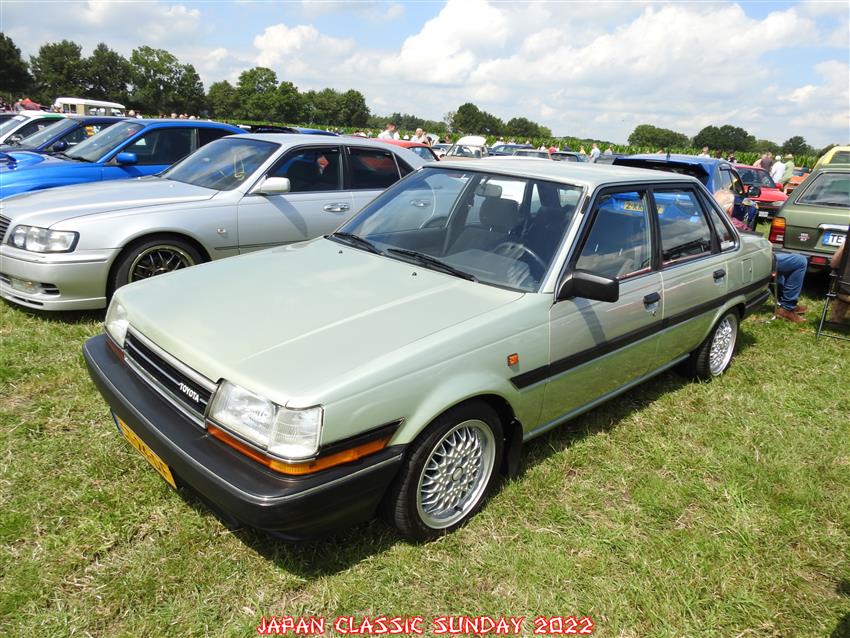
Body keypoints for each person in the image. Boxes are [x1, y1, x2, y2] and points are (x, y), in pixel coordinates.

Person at [715, 190, 808, 323]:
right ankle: (787, 307)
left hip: (729, 262)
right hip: (748, 261)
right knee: (799, 261)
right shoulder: (734, 224)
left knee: (780, 261)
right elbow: (760, 243)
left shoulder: (708, 222)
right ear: (730, 208)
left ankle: (785, 303)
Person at [829, 243, 849, 323]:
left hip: (845, 290)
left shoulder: (848, 242)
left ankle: (836, 319)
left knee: (844, 287)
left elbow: (833, 264)